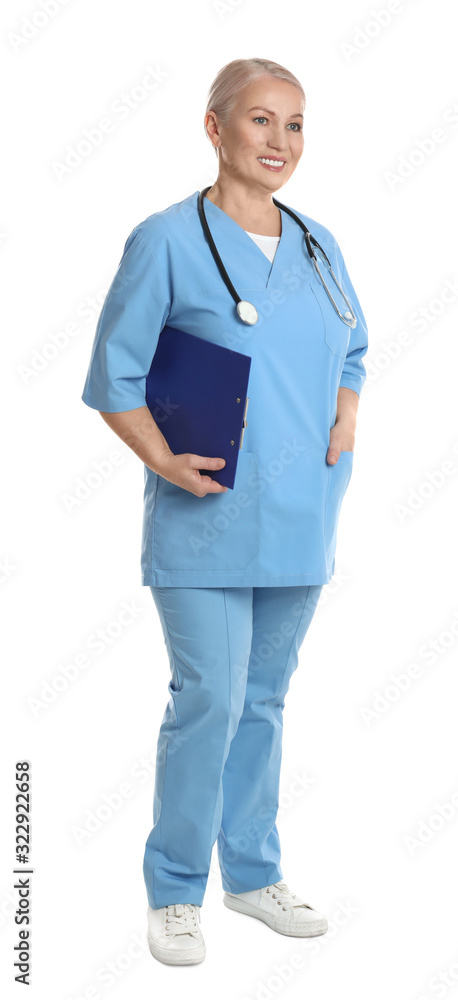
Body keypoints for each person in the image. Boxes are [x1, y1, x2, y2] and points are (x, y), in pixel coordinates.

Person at [81, 57, 368, 967]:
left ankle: (250, 874)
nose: (279, 142)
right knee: (210, 698)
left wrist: (348, 409)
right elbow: (113, 373)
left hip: (302, 515)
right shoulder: (167, 238)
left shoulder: (320, 244)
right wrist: (160, 456)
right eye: (260, 121)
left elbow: (352, 344)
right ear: (215, 128)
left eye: (294, 124)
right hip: (205, 518)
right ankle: (174, 890)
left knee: (267, 702)